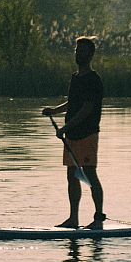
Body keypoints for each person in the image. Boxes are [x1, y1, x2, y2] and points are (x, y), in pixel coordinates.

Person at [41, 36, 106, 229]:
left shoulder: (93, 79)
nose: (78, 54)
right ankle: (73, 219)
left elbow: (86, 109)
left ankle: (98, 220)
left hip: (87, 134)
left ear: (91, 54)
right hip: (72, 135)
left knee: (90, 174)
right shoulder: (75, 78)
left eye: (82, 51)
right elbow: (73, 103)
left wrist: (65, 128)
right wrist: (54, 111)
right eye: (77, 50)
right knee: (72, 176)